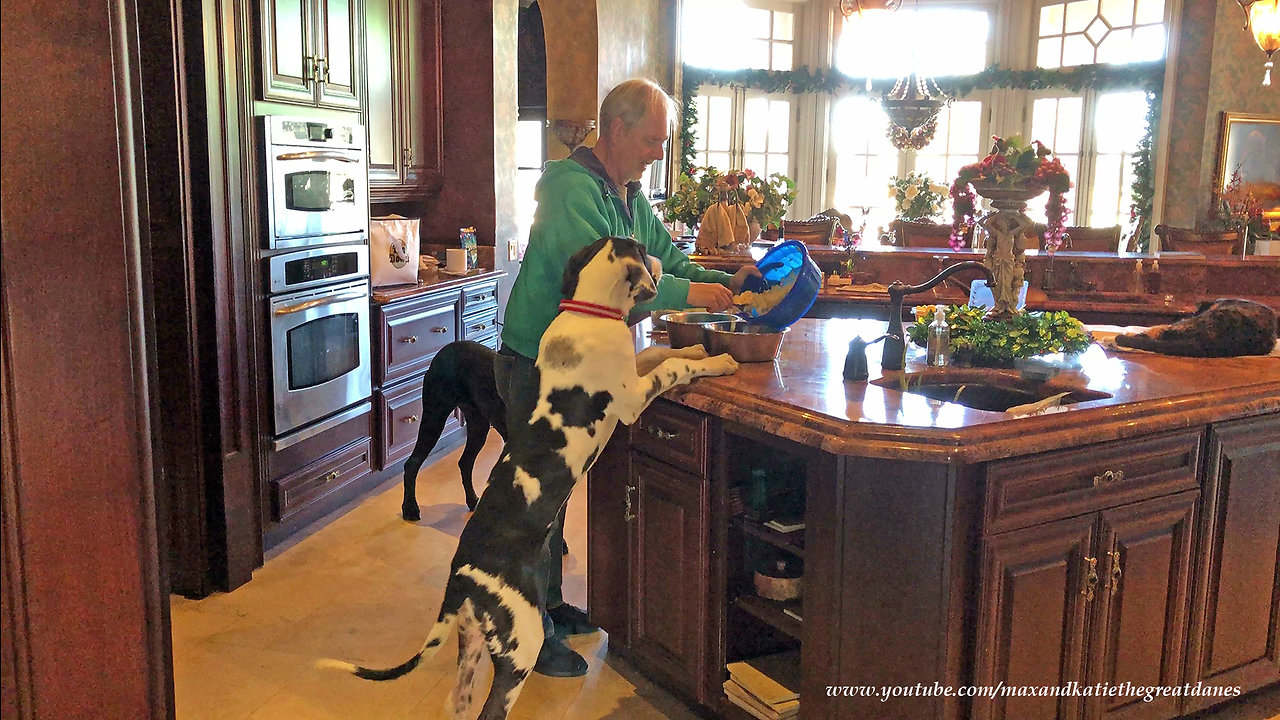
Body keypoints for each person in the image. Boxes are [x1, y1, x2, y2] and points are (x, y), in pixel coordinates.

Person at [497, 78, 759, 677]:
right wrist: (690, 291)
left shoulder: (628, 193)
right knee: (534, 500)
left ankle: (553, 605)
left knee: (559, 493)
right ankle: (527, 633)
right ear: (614, 129)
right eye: (650, 140)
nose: (658, 153)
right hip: (538, 362)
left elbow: (667, 252)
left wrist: (726, 277)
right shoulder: (567, 187)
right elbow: (614, 274)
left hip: (580, 361)